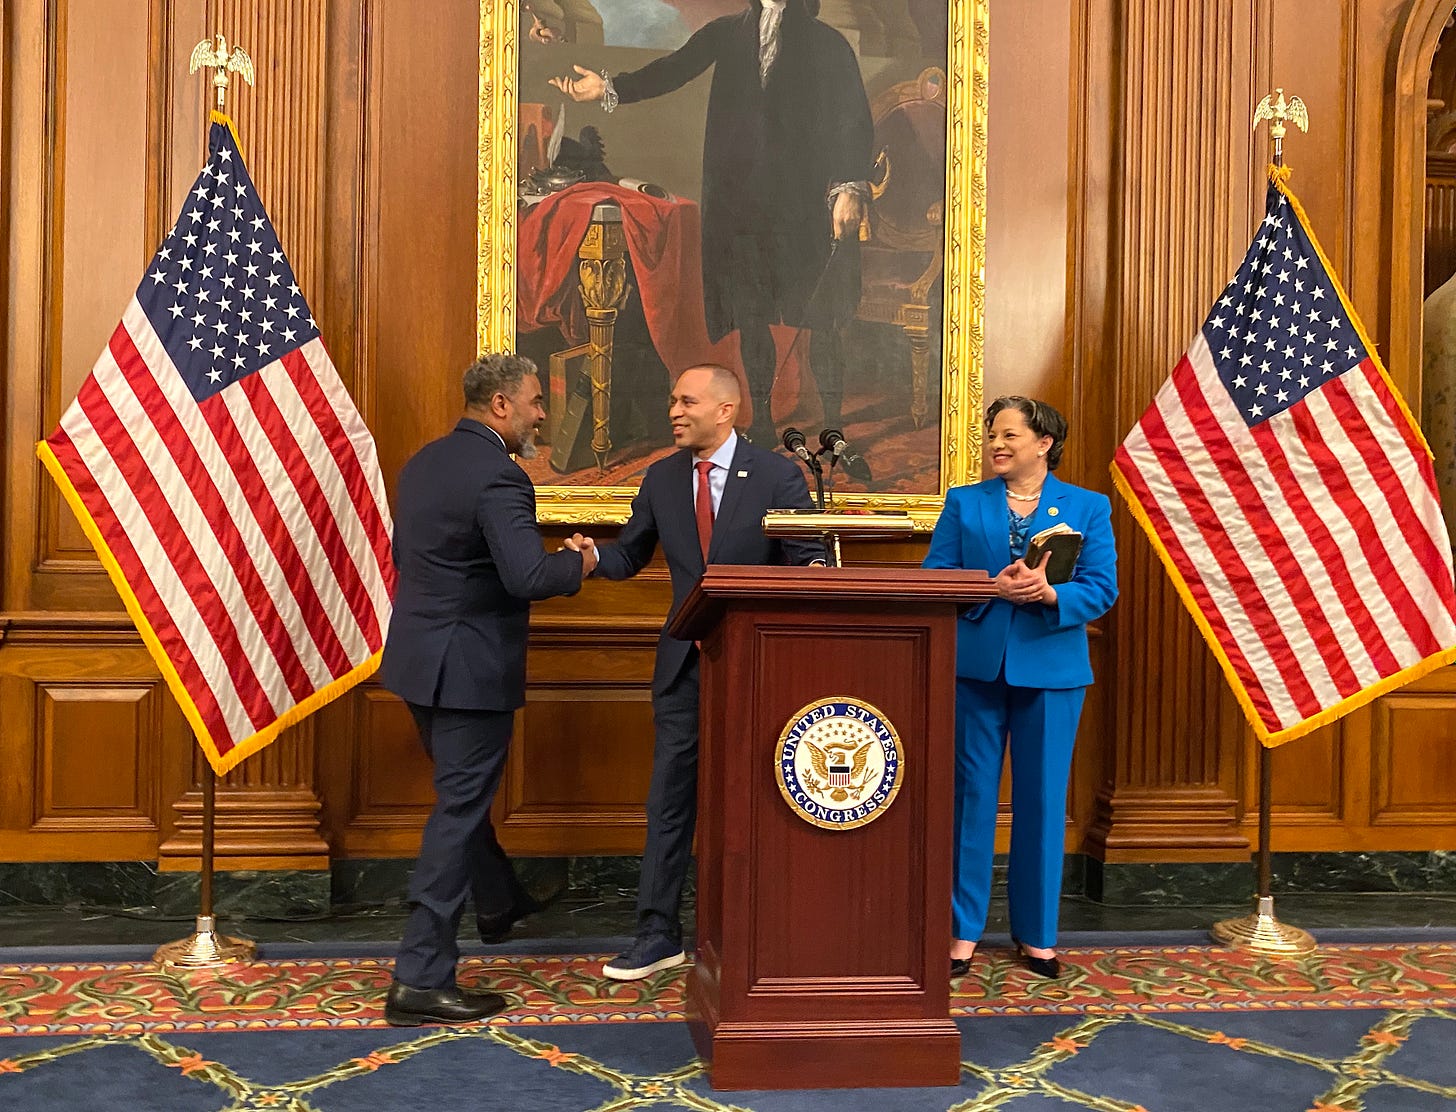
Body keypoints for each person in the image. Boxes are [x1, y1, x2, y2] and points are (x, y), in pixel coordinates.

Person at [580, 364, 825, 979]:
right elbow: (632, 552)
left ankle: (767, 929)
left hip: (756, 665)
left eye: (686, 401)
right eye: (671, 401)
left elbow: (805, 558)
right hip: (684, 664)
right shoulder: (662, 477)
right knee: (668, 802)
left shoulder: (775, 473)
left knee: (764, 799)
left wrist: (819, 574)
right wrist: (591, 559)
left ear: (727, 409)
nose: (674, 411)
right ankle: (657, 933)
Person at [380, 353, 598, 1026]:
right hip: (470, 672)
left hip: (419, 664)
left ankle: (498, 903)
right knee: (458, 815)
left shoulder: (424, 462)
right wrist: (579, 561)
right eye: (535, 401)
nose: (542, 414)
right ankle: (420, 977)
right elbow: (527, 576)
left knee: (460, 800)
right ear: (500, 405)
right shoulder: (500, 478)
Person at [549, 0, 873, 446]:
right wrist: (607, 88)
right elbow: (671, 69)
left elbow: (852, 119)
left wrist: (851, 188)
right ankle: (760, 421)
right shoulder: (726, 32)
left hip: (804, 204)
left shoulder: (827, 43)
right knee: (752, 316)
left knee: (819, 317)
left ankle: (834, 425)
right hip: (741, 205)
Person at [922, 396, 1118, 979]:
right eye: (991, 436)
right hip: (976, 670)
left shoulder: (1088, 506)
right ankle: (962, 932)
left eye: (1009, 435)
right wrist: (992, 587)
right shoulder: (964, 502)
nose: (996, 445)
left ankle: (1037, 936)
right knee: (970, 800)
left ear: (1044, 443)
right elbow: (936, 576)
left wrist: (1051, 594)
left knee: (1041, 802)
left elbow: (1101, 588)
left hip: (1053, 672)